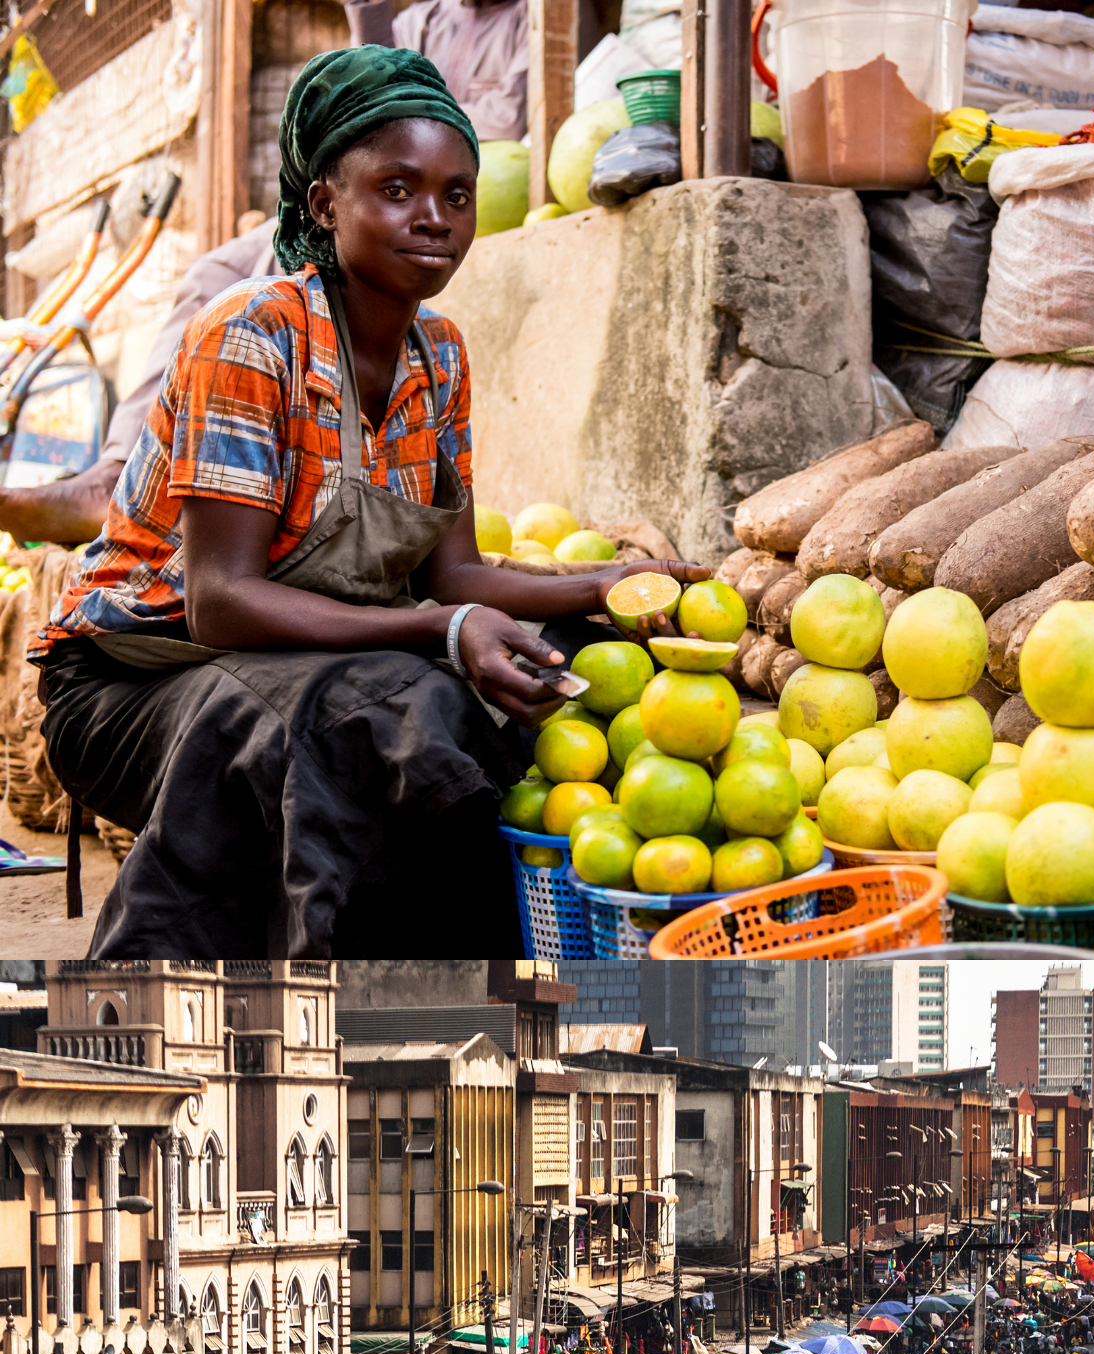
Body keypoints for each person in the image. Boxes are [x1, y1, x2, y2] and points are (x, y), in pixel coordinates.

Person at [36, 45, 707, 958]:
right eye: (397, 189)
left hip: (298, 654)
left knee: (551, 669)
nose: (434, 219)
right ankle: (184, 1008)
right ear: (324, 203)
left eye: (456, 195)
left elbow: (456, 572)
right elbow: (221, 600)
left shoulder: (441, 355)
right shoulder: (252, 333)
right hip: (135, 676)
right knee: (355, 711)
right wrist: (443, 627)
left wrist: (616, 587)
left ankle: (426, 983)